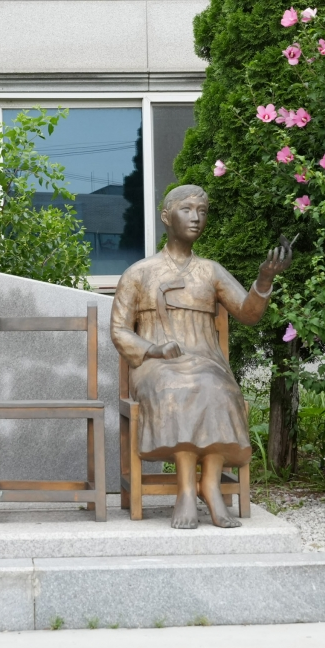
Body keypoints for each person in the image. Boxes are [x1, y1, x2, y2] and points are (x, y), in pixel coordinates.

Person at [110, 184, 292, 528]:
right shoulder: (138, 273)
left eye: (203, 211)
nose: (196, 218)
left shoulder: (210, 270)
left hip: (206, 361)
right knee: (176, 387)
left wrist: (264, 280)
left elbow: (248, 313)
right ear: (166, 217)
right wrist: (153, 349)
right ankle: (183, 489)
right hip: (157, 365)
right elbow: (119, 330)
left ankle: (209, 485)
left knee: (216, 389)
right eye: (187, 210)